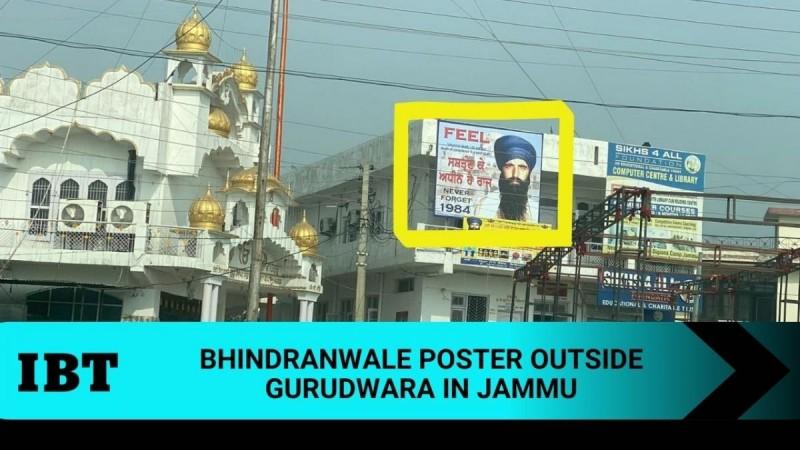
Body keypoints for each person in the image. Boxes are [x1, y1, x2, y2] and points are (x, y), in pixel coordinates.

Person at [474, 135, 538, 221]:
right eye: (509, 166)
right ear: (502, 170)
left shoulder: (535, 211)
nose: (515, 174)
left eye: (522, 167)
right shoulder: (484, 205)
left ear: (529, 173)